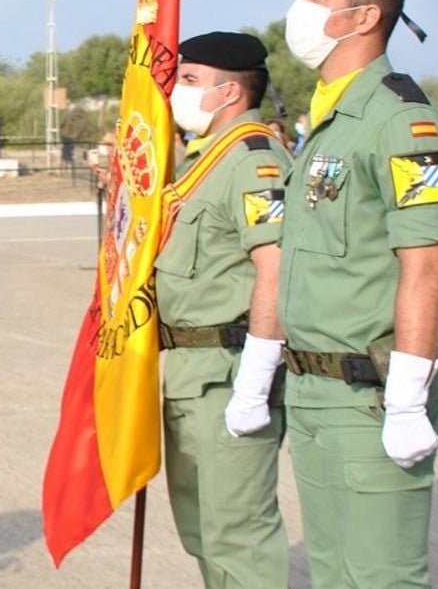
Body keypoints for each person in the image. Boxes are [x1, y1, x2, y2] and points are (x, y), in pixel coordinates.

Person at [231, 0, 438, 587]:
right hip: (312, 393)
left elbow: (428, 268)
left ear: (362, 18)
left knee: (380, 577)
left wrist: (409, 399)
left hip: (371, 398)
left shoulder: (404, 122)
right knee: (333, 575)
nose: (296, 11)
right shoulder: (329, 125)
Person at [155, 32, 291, 588]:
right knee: (204, 530)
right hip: (191, 372)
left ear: (229, 91)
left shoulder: (253, 160)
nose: (175, 92)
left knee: (238, 536)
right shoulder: (204, 158)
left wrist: (256, 381)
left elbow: (277, 270)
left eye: (189, 81)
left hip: (230, 371)